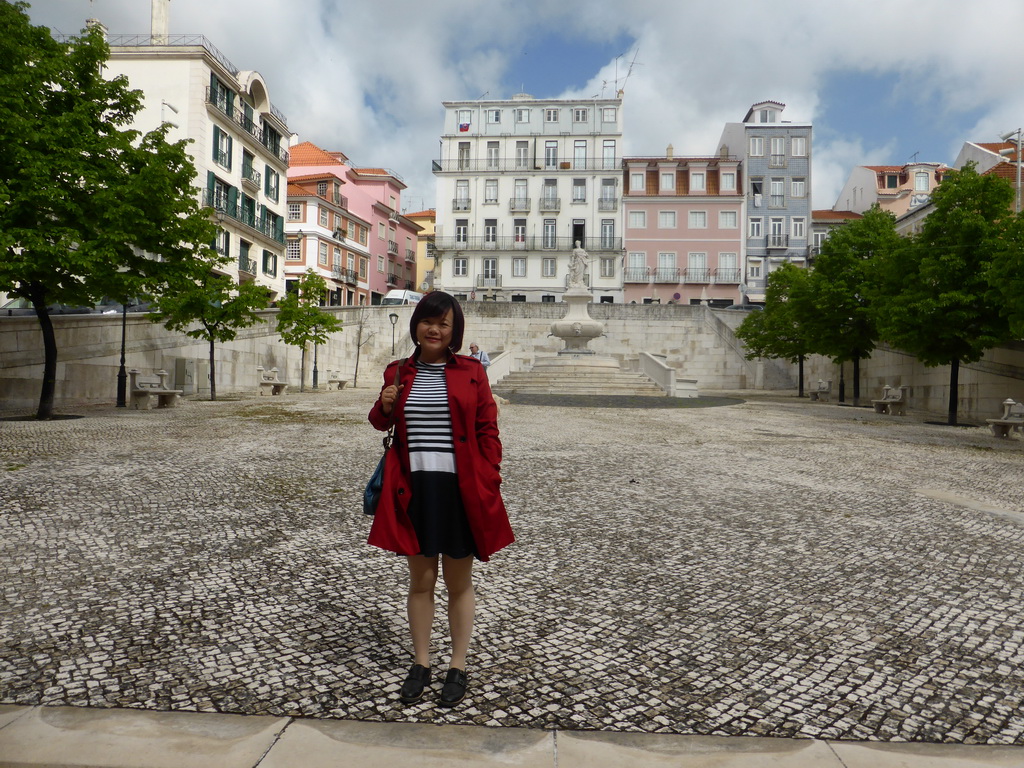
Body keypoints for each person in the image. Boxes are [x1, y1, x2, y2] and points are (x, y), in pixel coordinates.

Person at [367, 291, 514, 708]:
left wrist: (489, 476)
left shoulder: (471, 372)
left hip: (460, 489)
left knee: (458, 582)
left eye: (444, 323)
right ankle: (421, 662)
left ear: (454, 330)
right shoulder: (397, 372)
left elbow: (488, 429)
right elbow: (381, 421)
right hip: (415, 488)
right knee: (421, 581)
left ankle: (458, 664)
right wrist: (384, 404)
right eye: (429, 321)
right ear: (416, 324)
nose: (435, 329)